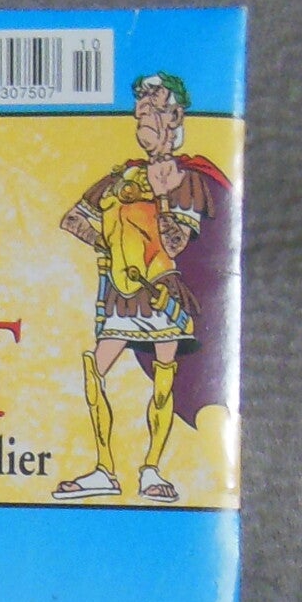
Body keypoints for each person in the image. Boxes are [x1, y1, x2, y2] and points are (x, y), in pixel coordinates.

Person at [53, 72, 231, 503]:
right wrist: (117, 249)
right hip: (121, 293)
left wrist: (163, 196)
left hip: (163, 295)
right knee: (95, 371)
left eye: (152, 110)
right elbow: (74, 220)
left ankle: (151, 470)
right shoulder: (123, 176)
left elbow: (174, 243)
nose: (142, 118)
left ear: (175, 116)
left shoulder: (187, 178)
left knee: (163, 383)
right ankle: (104, 469)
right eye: (140, 111)